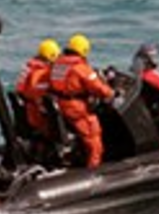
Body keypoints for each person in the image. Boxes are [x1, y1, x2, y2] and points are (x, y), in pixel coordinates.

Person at [49, 33, 115, 169]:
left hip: (61, 104)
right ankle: (93, 170)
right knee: (94, 140)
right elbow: (98, 88)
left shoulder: (58, 64)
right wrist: (111, 93)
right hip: (76, 108)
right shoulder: (80, 68)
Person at [14, 38, 60, 136]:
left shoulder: (29, 68)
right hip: (40, 119)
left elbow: (21, 90)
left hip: (28, 114)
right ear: (52, 56)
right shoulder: (43, 74)